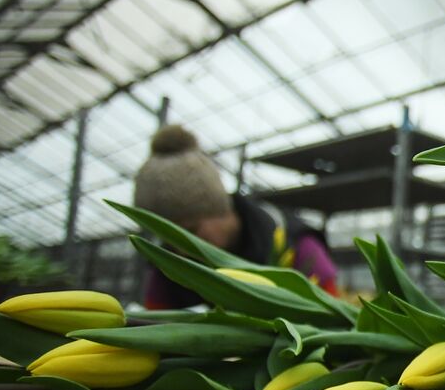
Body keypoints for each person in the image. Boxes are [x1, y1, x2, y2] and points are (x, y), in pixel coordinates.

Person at [132, 124, 339, 308]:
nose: (181, 250)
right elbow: (155, 321)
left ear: (221, 210)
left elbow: (332, 315)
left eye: (191, 231)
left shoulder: (297, 246)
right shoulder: (169, 264)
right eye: (169, 238)